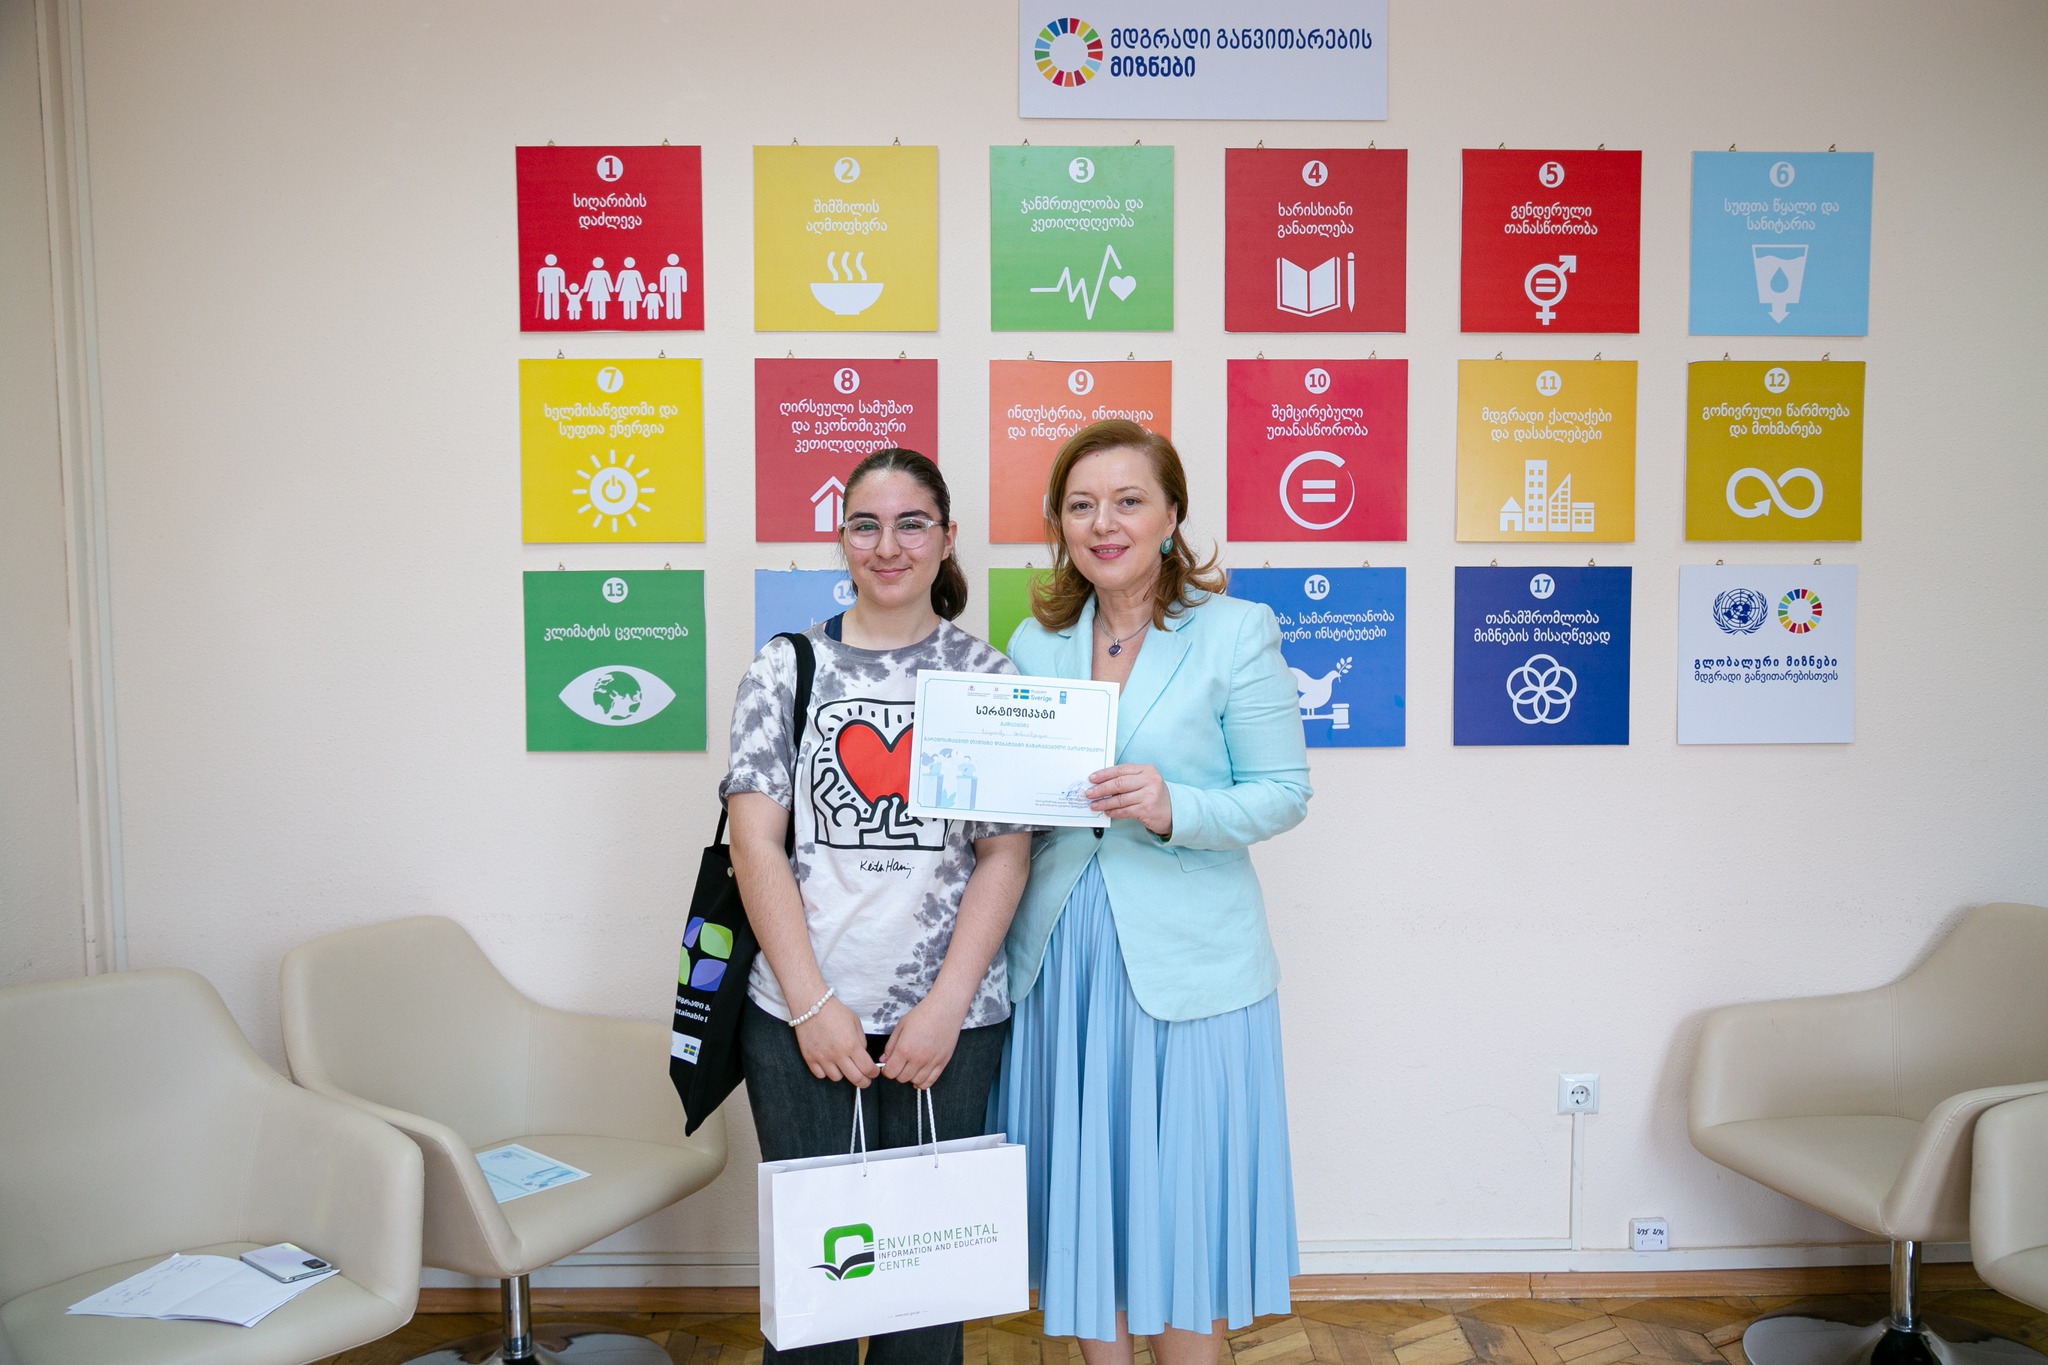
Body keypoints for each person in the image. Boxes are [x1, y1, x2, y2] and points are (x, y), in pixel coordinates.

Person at [995, 420, 1311, 1365]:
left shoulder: (1235, 631)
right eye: (1082, 504)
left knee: (1184, 1213)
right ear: (1059, 523)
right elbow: (1013, 797)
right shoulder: (1034, 640)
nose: (1105, 523)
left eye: (1129, 500)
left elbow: (1284, 792)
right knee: (1089, 1203)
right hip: (1064, 963)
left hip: (1193, 970)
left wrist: (1177, 807)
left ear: (1172, 515)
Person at [723, 448, 1035, 1365]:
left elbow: (1004, 852)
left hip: (950, 1027)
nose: (887, 545)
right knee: (815, 1305)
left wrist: (945, 1007)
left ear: (947, 537)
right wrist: (812, 1006)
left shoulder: (987, 677)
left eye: (911, 523)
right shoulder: (786, 669)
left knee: (926, 1305)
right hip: (800, 1020)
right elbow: (754, 844)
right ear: (842, 536)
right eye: (866, 524)